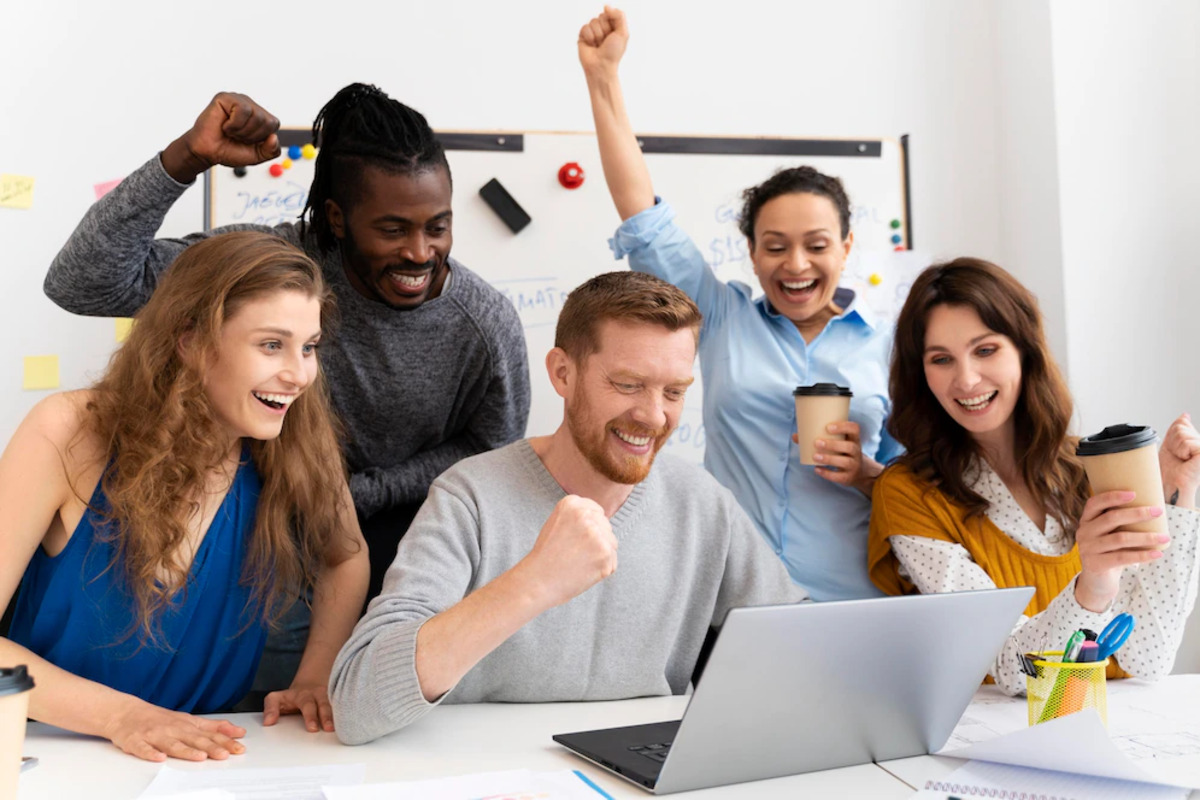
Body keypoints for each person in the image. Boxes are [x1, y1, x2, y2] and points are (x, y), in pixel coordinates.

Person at [42, 83, 531, 610]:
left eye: (437, 227)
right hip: (242, 543)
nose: (419, 252)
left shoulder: (484, 323)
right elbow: (82, 283)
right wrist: (186, 159)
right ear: (338, 219)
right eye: (392, 230)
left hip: (401, 557)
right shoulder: (265, 265)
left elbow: (493, 453)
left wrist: (363, 492)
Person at [328, 271, 807, 745]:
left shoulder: (703, 504)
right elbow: (357, 704)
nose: (654, 416)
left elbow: (802, 648)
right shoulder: (468, 495)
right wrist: (534, 582)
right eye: (627, 384)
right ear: (562, 373)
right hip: (488, 776)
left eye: (675, 392)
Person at [0, 232, 369, 760]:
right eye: (272, 344)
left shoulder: (292, 435)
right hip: (48, 751)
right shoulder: (67, 430)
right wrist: (120, 717)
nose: (299, 374)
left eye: (308, 347)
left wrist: (316, 674)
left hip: (207, 753)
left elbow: (346, 558)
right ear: (190, 341)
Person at [578, 8, 900, 601]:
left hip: (857, 597)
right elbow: (643, 217)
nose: (796, 265)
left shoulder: (891, 348)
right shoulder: (721, 320)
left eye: (817, 246)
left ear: (847, 248)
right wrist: (604, 79)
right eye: (775, 246)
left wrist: (868, 474)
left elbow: (928, 487)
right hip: (737, 599)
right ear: (751, 253)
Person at [868, 257, 1200, 694]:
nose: (966, 379)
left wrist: (1179, 497)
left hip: (1123, 728)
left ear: (1025, 351)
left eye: (985, 350)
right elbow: (1011, 667)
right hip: (998, 738)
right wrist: (1093, 586)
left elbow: (1149, 659)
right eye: (941, 359)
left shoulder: (1089, 471)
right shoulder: (910, 494)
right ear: (921, 372)